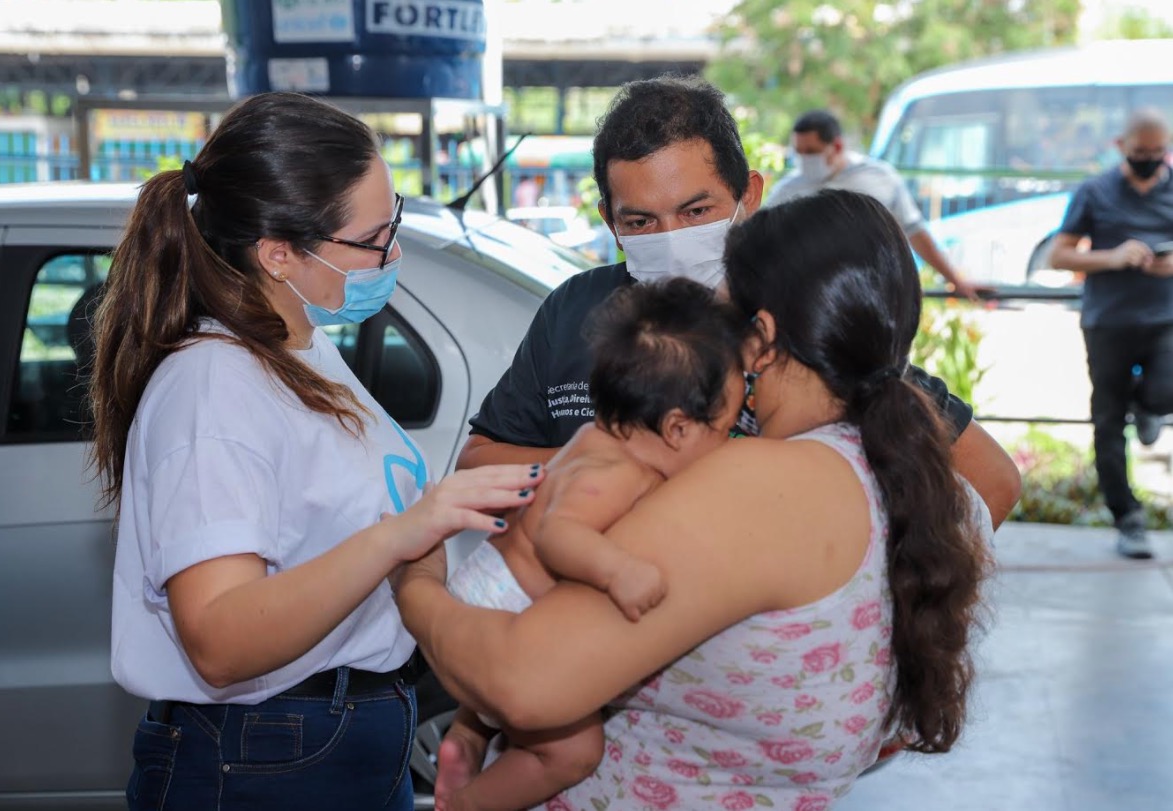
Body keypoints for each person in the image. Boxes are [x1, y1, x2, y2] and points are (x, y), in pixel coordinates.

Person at [397, 188, 995, 809]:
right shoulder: (922, 482)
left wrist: (415, 583)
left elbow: (521, 684)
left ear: (761, 336)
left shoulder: (762, 483)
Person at [89, 91, 544, 811]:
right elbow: (220, 637)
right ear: (278, 254)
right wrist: (403, 533)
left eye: (394, 224)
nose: (393, 254)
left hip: (336, 738)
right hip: (264, 757)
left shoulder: (298, 340)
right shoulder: (213, 385)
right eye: (372, 239)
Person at [457, 76, 1022, 531]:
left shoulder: (802, 309)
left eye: (696, 212)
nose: (671, 237)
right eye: (641, 221)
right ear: (609, 221)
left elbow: (993, 482)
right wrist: (612, 465)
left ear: (748, 195)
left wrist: (870, 611)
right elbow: (480, 459)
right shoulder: (575, 311)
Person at [438, 278, 748, 811]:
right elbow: (560, 535)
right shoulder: (615, 473)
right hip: (501, 608)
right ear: (676, 428)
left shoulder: (593, 438)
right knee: (575, 752)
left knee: (511, 713)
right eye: (723, 430)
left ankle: (467, 736)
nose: (726, 443)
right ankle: (469, 804)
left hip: (494, 594)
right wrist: (616, 571)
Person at [1049, 107, 1173, 560]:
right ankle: (1128, 519)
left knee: (1164, 393)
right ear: (1122, 147)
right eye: (1141, 152)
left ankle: (1149, 406)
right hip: (1108, 322)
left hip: (1165, 318)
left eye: (1158, 152)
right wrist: (1113, 257)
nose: (1150, 159)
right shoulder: (1095, 190)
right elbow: (1058, 256)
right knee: (1107, 420)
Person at [765, 109, 984, 301]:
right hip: (812, 299)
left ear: (837, 146)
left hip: (874, 294)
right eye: (799, 152)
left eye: (811, 152)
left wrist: (955, 280)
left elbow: (914, 231)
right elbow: (759, 237)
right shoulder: (787, 190)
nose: (804, 159)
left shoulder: (879, 178)